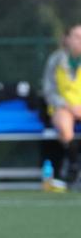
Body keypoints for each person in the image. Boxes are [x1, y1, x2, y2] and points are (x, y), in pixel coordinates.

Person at [43, 23, 81, 184]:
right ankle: (74, 167)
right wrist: (67, 106)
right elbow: (48, 89)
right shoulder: (56, 60)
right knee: (65, 126)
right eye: (77, 37)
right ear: (68, 39)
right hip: (62, 107)